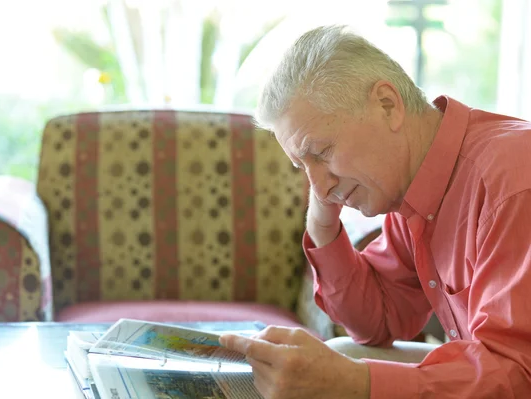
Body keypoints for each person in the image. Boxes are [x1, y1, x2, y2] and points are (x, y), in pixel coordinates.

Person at [219, 24, 531, 398]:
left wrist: (355, 384)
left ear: (388, 105)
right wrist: (322, 225)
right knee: (345, 354)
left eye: (321, 153)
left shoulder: (514, 182)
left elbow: (518, 375)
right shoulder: (412, 192)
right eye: (303, 168)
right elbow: (379, 321)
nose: (319, 187)